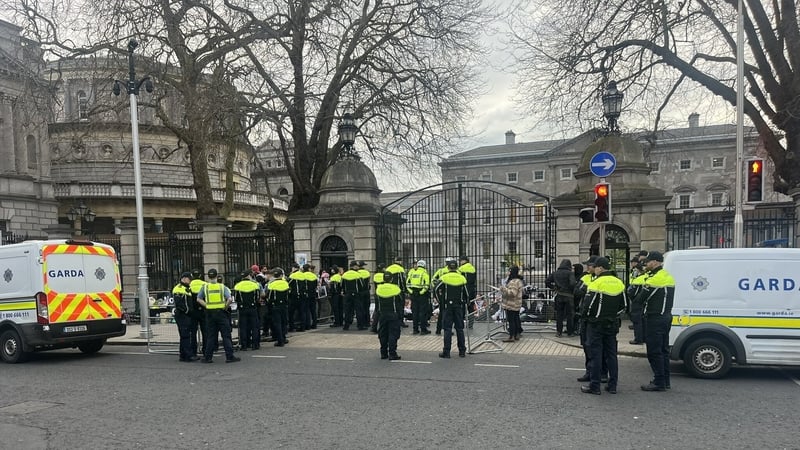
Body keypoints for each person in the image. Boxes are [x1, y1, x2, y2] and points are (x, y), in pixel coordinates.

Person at [580, 257, 626, 395]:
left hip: (596, 324)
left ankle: (595, 386)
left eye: (596, 268)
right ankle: (612, 386)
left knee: (596, 355)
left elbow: (588, 306)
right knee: (611, 355)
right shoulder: (619, 283)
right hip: (612, 324)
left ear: (600, 268)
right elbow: (623, 306)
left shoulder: (596, 283)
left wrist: (586, 317)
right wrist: (612, 316)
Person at [639, 251, 675, 392]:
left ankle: (658, 381)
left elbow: (640, 299)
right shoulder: (667, 276)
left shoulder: (655, 280)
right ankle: (665, 380)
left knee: (654, 351)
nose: (646, 264)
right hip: (666, 316)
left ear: (655, 262)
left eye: (648, 262)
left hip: (655, 318)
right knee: (663, 350)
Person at [196, 268, 240, 363]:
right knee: (226, 335)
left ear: (208, 276)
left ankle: (208, 357)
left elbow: (198, 299)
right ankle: (229, 356)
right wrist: (225, 307)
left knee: (211, 336)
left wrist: (207, 305)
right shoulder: (221, 287)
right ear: (216, 276)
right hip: (221, 313)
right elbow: (229, 299)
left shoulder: (205, 287)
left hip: (210, 313)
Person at [435, 258, 469, 358]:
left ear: (448, 267)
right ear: (457, 267)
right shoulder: (462, 278)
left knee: (447, 329)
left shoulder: (444, 277)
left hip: (447, 306)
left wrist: (440, 301)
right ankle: (462, 351)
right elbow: (466, 294)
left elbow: (436, 290)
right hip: (458, 306)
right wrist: (464, 302)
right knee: (459, 328)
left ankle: (447, 352)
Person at [375, 270, 403, 360]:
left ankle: (383, 353)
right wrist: (400, 315)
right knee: (393, 334)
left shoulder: (379, 289)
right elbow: (400, 302)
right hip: (393, 314)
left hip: (382, 314)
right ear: (391, 279)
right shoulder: (396, 288)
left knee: (383, 333)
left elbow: (377, 303)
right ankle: (392, 353)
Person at [547, 259, 577, 337]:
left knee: (559, 315)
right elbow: (573, 283)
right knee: (569, 315)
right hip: (569, 296)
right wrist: (570, 290)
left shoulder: (555, 273)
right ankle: (570, 332)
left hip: (559, 295)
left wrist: (554, 288)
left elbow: (547, 281)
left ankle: (559, 332)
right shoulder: (570, 273)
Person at [172, 272, 199, 362]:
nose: (190, 281)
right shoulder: (179, 288)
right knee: (186, 335)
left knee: (184, 335)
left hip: (185, 315)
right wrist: (187, 311)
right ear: (183, 278)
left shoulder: (186, 288)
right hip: (182, 315)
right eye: (189, 279)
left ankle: (183, 355)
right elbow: (180, 304)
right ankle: (188, 355)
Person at [233, 271, 263, 351]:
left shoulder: (237, 286)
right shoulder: (255, 285)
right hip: (252, 308)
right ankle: (255, 345)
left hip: (242, 309)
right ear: (249, 276)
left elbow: (236, 298)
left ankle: (244, 345)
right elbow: (257, 297)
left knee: (243, 327)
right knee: (254, 327)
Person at [266, 267, 290, 347]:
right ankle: (284, 338)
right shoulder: (285, 283)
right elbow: (288, 294)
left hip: (275, 306)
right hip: (284, 305)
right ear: (281, 275)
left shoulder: (271, 285)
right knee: (284, 322)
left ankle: (280, 341)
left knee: (277, 323)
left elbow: (269, 297)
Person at [500, 265, 524, 342]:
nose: (507, 272)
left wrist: (504, 289)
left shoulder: (514, 282)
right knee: (516, 318)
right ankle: (517, 333)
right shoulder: (518, 280)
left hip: (511, 304)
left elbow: (512, 293)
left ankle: (511, 336)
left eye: (509, 271)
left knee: (511, 320)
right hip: (516, 303)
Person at [407, 260, 431, 335]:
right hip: (422, 295)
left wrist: (411, 292)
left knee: (415, 312)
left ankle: (415, 329)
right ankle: (423, 330)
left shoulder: (412, 273)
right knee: (422, 312)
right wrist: (421, 292)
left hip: (413, 294)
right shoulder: (424, 273)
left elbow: (407, 284)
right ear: (424, 265)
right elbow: (426, 285)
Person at [627, 263, 649, 345]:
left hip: (637, 302)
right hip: (644, 302)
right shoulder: (646, 277)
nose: (634, 271)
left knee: (637, 321)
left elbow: (633, 292)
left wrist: (631, 296)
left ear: (639, 270)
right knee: (643, 321)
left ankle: (638, 339)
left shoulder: (639, 279)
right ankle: (644, 338)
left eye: (635, 269)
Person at [189, 268, 207, 356]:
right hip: (204, 310)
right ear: (200, 276)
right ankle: (205, 350)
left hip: (193, 312)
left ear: (191, 276)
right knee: (205, 332)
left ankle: (193, 351)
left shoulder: (189, 285)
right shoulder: (205, 285)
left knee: (193, 333)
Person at [386, 257, 408, 328]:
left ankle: (392, 320)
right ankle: (400, 322)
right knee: (400, 307)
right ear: (400, 262)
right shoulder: (400, 269)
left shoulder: (388, 268)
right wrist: (405, 290)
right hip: (398, 291)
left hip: (389, 290)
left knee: (392, 306)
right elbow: (402, 280)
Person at [341, 261, 362, 331]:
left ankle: (346, 326)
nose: (358, 267)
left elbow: (342, 285)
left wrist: (344, 292)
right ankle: (360, 325)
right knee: (358, 310)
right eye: (357, 266)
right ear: (354, 266)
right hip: (356, 294)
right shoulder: (358, 275)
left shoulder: (344, 275)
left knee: (347, 310)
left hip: (347, 294)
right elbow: (361, 285)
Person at [458, 256, 477, 329]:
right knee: (471, 307)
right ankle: (471, 324)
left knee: (462, 307)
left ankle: (461, 324)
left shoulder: (461, 269)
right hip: (472, 290)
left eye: (460, 261)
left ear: (463, 261)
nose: (460, 262)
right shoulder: (472, 268)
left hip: (464, 289)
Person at [356, 261, 371, 330]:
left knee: (360, 308)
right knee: (366, 307)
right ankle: (367, 322)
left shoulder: (356, 273)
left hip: (359, 292)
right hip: (366, 291)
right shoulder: (367, 272)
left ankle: (361, 323)